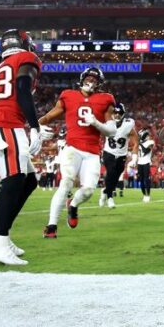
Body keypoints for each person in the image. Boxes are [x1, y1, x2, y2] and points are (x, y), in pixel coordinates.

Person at [0, 29, 53, 265]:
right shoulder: (27, 59)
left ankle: (1, 237)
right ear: (26, 44)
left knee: (29, 180)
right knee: (13, 179)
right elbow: (22, 88)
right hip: (6, 124)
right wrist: (35, 127)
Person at [39, 67, 115, 238]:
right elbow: (52, 114)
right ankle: (51, 226)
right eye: (88, 78)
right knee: (66, 183)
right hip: (72, 148)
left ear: (100, 84)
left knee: (88, 190)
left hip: (92, 151)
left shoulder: (106, 99)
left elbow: (111, 131)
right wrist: (36, 124)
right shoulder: (68, 95)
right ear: (81, 79)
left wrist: (96, 123)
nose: (91, 82)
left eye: (95, 80)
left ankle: (72, 205)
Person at [99, 103, 138, 209]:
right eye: (114, 112)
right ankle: (110, 197)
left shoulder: (128, 124)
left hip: (122, 155)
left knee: (116, 178)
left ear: (123, 114)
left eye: (119, 113)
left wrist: (134, 158)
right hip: (109, 152)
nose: (116, 115)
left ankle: (104, 191)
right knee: (110, 172)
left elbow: (135, 142)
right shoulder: (107, 122)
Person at [137, 128, 154, 202]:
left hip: (146, 162)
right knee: (141, 179)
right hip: (139, 162)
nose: (148, 137)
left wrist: (140, 144)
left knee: (146, 179)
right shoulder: (138, 143)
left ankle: (148, 194)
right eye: (146, 135)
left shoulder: (150, 142)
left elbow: (146, 150)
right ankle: (144, 194)